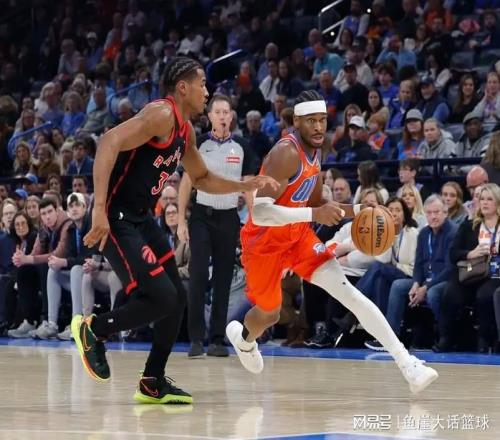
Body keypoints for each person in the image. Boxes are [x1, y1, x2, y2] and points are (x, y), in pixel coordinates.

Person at [71, 57, 276, 404]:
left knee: (177, 297)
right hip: (116, 217)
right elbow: (107, 141)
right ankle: (94, 329)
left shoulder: (186, 131)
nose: (207, 92)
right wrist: (99, 209)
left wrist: (244, 185)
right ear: (182, 87)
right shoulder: (161, 114)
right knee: (162, 297)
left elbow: (203, 178)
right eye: (202, 84)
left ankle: (152, 381)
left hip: (140, 218)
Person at [225, 90, 438, 395]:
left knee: (349, 294)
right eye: (311, 120)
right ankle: (244, 340)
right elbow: (260, 212)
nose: (318, 127)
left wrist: (359, 210)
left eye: (322, 120)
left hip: (298, 236)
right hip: (263, 244)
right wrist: (314, 214)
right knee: (269, 313)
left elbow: (315, 201)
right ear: (296, 121)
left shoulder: (316, 150)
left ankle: (408, 364)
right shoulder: (284, 153)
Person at [177, 94, 258, 358]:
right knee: (199, 275)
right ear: (210, 116)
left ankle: (216, 339)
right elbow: (186, 183)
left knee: (223, 278)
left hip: (228, 217)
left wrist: (255, 219)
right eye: (218, 112)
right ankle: (195, 339)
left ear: (231, 116)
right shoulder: (199, 145)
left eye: (226, 112)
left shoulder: (242, 146)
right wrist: (181, 220)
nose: (223, 116)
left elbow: (249, 187)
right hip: (202, 215)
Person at [435, 184, 500, 353]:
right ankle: (446, 338)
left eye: (489, 199)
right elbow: (453, 253)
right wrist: (471, 253)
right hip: (471, 271)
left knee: (484, 295)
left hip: (495, 273)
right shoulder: (469, 225)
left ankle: (484, 339)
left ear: (498, 203)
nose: (484, 203)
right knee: (450, 293)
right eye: (482, 199)